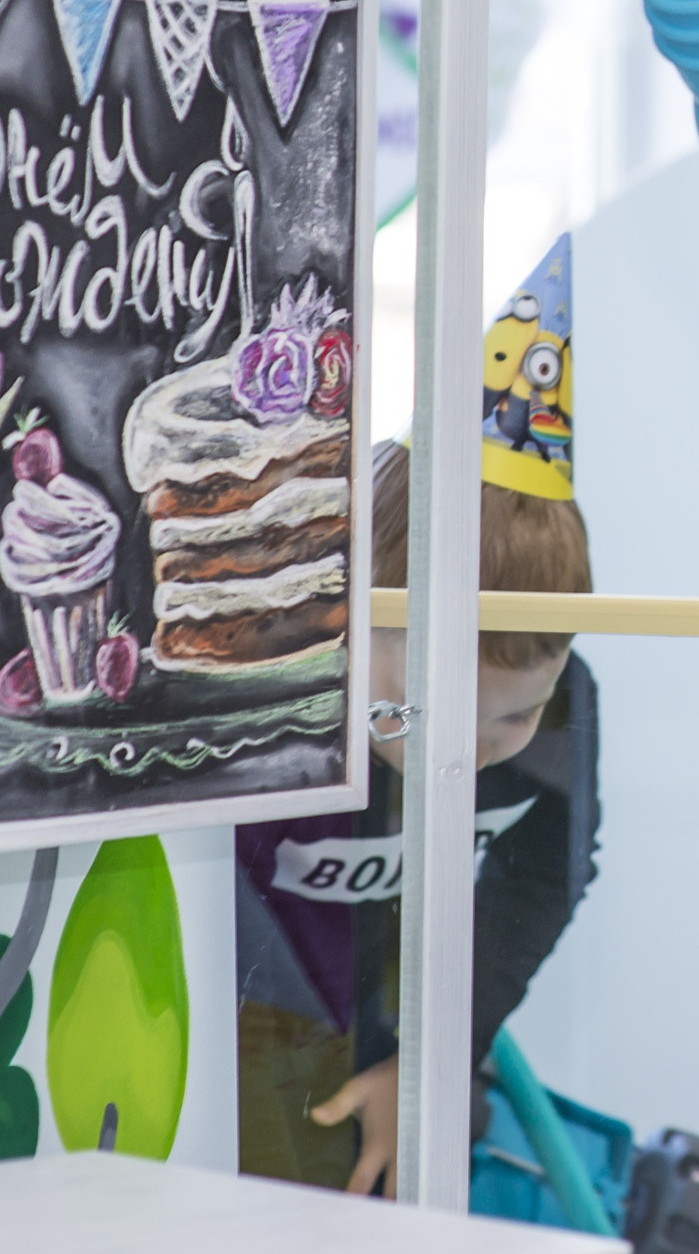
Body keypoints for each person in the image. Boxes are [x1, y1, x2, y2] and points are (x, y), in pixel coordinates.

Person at [235, 235, 598, 1200]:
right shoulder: (285, 685)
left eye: (511, 721)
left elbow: (542, 880)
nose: (468, 758)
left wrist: (434, 1058)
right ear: (353, 624)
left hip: (408, 1026)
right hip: (247, 1013)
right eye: (420, 712)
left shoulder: (568, 702)